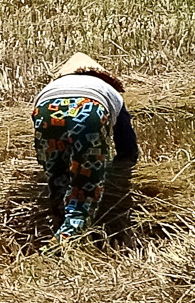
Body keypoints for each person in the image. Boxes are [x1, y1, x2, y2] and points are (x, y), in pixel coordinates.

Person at [32, 52, 139, 242]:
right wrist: (121, 167)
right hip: (89, 109)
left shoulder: (54, 85)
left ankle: (59, 221)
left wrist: (51, 163)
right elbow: (125, 140)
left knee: (57, 177)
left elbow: (41, 140)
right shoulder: (107, 89)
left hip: (45, 110)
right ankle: (66, 243)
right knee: (85, 186)